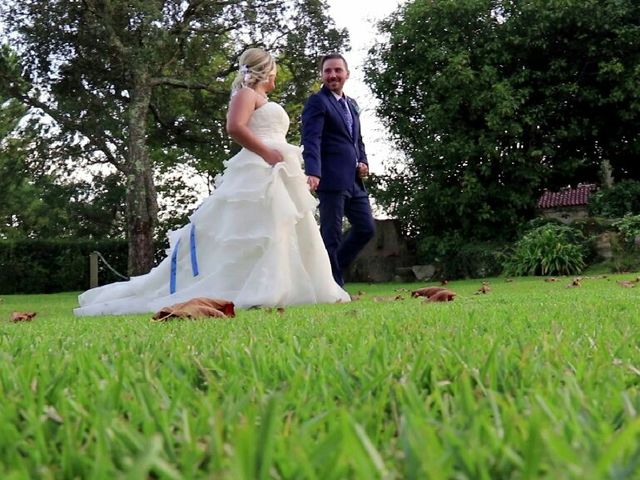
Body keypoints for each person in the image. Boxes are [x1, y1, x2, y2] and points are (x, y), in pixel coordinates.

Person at [74, 48, 350, 316]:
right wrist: (267, 153)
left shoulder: (262, 98)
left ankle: (293, 285)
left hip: (278, 169)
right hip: (258, 167)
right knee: (259, 230)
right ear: (265, 71)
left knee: (284, 226)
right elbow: (235, 127)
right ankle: (256, 287)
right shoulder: (246, 94)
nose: (275, 77)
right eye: (274, 71)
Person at [301, 53, 376, 287]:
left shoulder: (351, 104)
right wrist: (313, 171)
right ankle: (332, 286)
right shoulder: (317, 102)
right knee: (331, 236)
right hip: (331, 179)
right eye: (327, 71)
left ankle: (330, 273)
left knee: (366, 229)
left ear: (346, 74)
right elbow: (311, 138)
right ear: (322, 75)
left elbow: (357, 139)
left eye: (337, 70)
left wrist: (362, 161)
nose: (332, 75)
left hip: (354, 180)